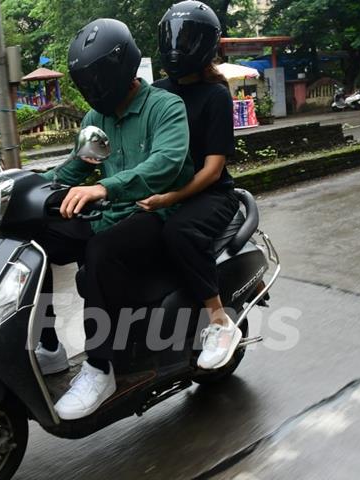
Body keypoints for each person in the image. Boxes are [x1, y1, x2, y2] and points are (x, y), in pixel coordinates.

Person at [34, 18, 193, 420]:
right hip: (111, 214)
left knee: (99, 251)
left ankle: (101, 367)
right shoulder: (95, 121)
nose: (92, 90)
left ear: (118, 71)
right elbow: (71, 171)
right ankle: (48, 344)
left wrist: (105, 188)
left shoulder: (165, 107)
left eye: (95, 80)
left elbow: (166, 164)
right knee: (37, 238)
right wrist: (24, 187)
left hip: (156, 210)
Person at [137, 1, 241, 370]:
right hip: (165, 192)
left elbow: (213, 169)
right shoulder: (155, 92)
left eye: (188, 38)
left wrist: (170, 198)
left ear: (206, 44)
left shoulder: (215, 95)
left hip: (212, 194)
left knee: (180, 232)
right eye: (173, 37)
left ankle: (219, 321)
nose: (178, 46)